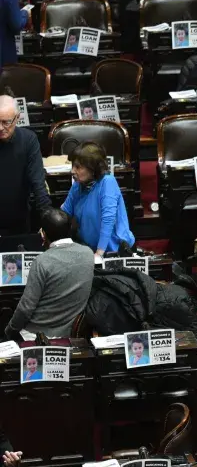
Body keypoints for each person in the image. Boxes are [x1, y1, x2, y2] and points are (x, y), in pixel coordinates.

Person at [4, 208, 92, 340]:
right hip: (71, 333)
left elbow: (25, 309)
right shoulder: (88, 254)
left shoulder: (41, 262)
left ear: (43, 234)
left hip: (35, 335)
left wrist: (9, 330)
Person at [61, 142, 135, 257]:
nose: (72, 171)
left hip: (114, 251)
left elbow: (108, 219)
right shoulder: (77, 185)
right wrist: (49, 226)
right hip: (89, 250)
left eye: (78, 167)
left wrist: (99, 253)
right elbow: (64, 214)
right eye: (72, 166)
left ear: (93, 168)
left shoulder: (107, 182)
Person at [0, 95, 50, 235]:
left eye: (6, 122)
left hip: (18, 222)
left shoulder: (28, 140)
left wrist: (48, 221)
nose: (0, 128)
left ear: (17, 118)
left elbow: (38, 183)